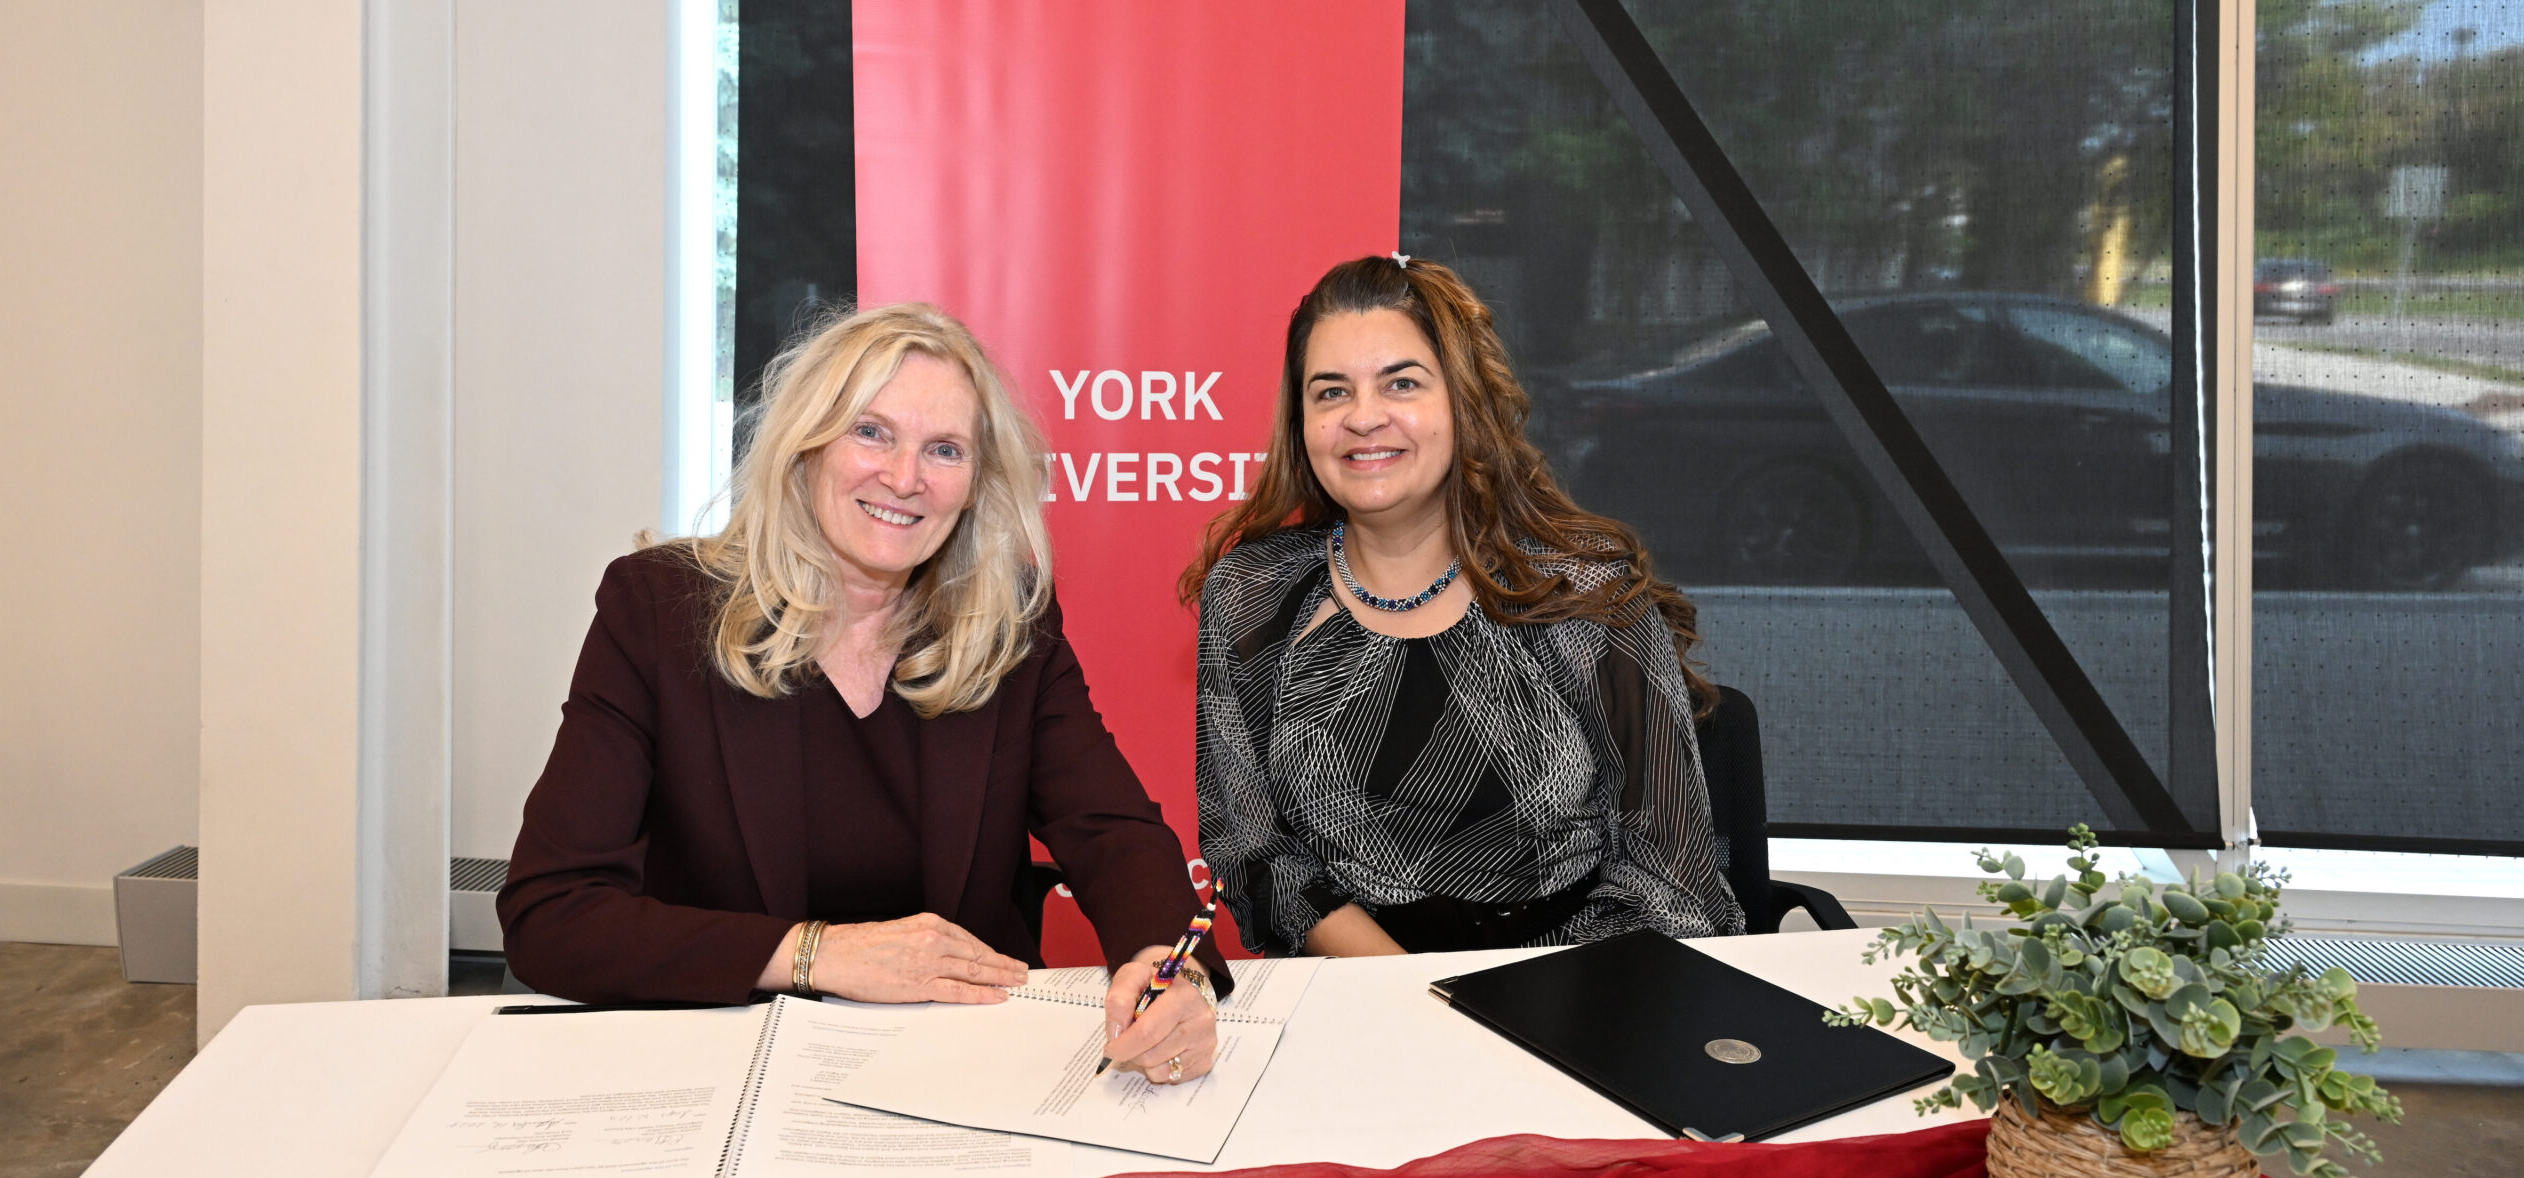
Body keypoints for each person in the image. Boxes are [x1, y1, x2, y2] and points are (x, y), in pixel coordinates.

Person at [502, 302, 1222, 1084]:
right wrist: (820, 953)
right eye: (871, 432)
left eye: (944, 449)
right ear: (805, 447)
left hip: (962, 1067)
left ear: (976, 484)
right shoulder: (657, 611)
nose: (905, 478)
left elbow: (1115, 834)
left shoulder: (1007, 621)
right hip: (726, 1063)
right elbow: (552, 913)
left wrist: (1167, 967)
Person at [1183, 255, 1744, 957]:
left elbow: (1671, 879)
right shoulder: (1253, 594)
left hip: (1580, 988)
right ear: (1302, 421)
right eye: (1330, 393)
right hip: (1353, 994)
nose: (1363, 417)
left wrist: (1518, 1018)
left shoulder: (1583, 595)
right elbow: (1255, 849)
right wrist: (1405, 993)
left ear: (1462, 401)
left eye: (1402, 383)